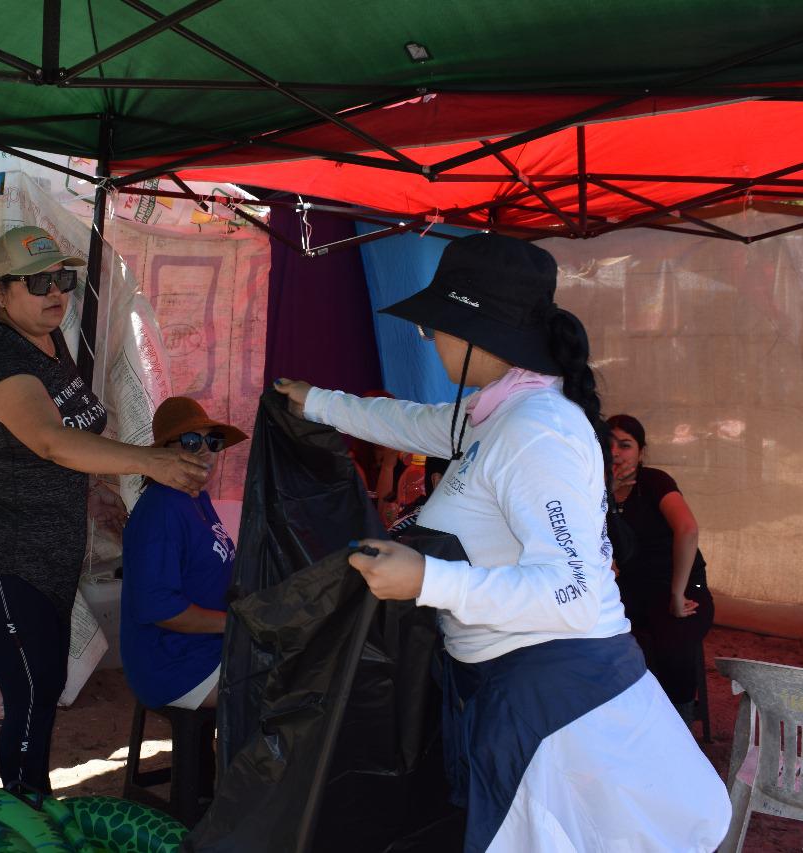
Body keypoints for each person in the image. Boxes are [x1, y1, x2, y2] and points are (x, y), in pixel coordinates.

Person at [274, 233, 729, 852]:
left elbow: (570, 593)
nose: (429, 338)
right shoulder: (496, 413)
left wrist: (429, 581)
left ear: (472, 329)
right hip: (513, 685)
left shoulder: (536, 430)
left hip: (557, 702)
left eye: (435, 325)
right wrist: (317, 402)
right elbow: (411, 421)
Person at [0, 226, 209, 794]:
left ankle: (30, 800)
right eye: (38, 282)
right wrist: (149, 464)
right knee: (32, 689)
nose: (55, 292)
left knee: (46, 681)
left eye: (62, 278)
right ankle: (25, 808)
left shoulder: (51, 343)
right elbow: (51, 441)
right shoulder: (0, 361)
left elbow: (75, 441)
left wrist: (111, 487)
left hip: (47, 556)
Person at [120, 397, 246, 709]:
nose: (205, 450)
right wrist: (235, 624)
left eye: (212, 441)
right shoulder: (163, 507)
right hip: (178, 666)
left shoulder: (195, 498)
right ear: (165, 451)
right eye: (191, 441)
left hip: (205, 649)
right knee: (299, 683)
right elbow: (162, 609)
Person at [608, 413, 714, 720]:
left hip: (678, 588)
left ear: (641, 452)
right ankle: (630, 720)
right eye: (609, 444)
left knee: (672, 649)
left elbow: (688, 529)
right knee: (609, 648)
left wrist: (678, 595)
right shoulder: (593, 491)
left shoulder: (655, 482)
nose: (615, 452)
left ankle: (679, 725)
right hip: (628, 591)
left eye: (625, 445)